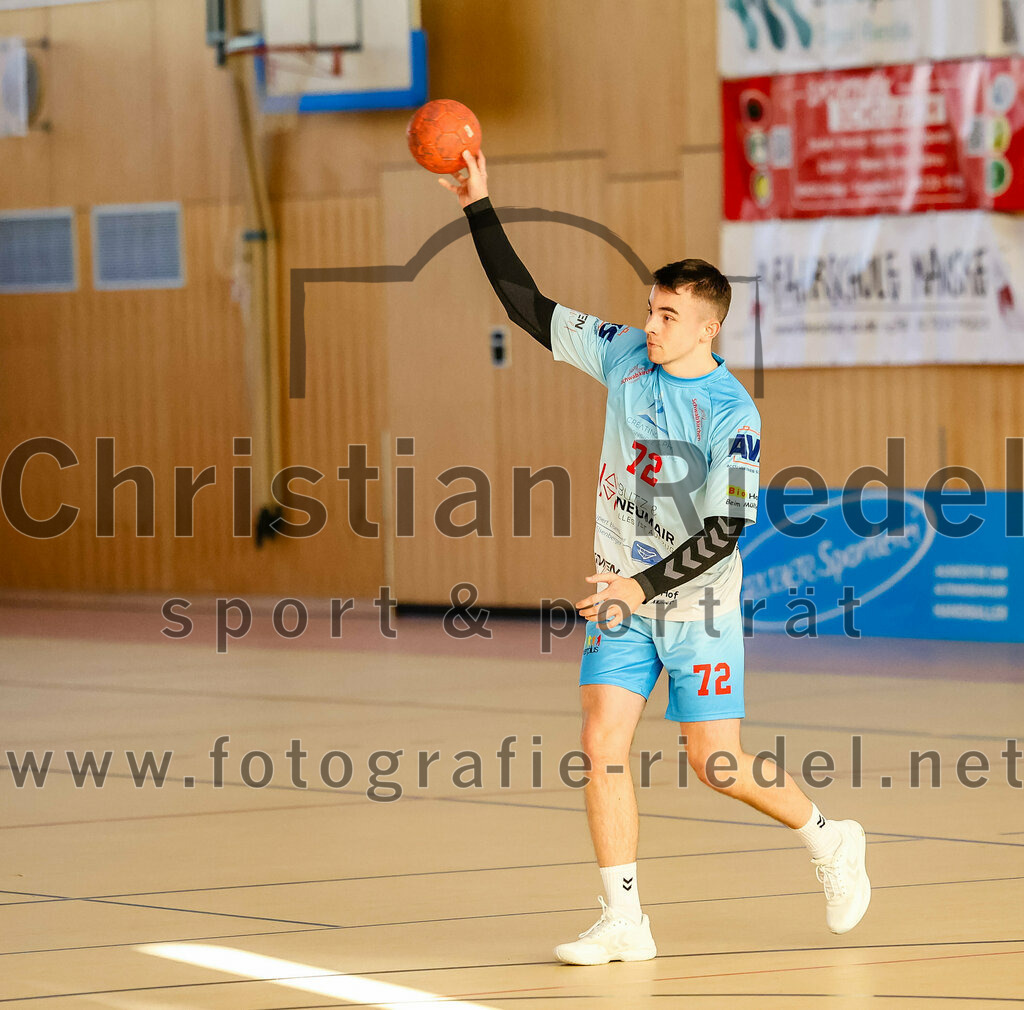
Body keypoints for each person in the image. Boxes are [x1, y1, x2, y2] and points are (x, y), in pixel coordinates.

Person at [440, 150, 870, 965]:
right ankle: (624, 919)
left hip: (693, 600)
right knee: (601, 740)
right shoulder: (625, 358)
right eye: (650, 308)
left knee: (715, 763)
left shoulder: (730, 413)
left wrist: (640, 585)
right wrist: (479, 206)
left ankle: (829, 837)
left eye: (669, 315)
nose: (651, 324)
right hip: (622, 593)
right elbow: (530, 307)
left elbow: (726, 532)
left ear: (708, 326)